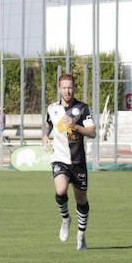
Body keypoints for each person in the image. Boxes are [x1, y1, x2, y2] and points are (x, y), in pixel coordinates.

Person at [42, 73, 96, 250]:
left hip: (78, 161)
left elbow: (92, 133)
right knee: (61, 189)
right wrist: (45, 136)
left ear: (74, 88)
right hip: (60, 159)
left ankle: (81, 234)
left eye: (70, 87)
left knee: (81, 199)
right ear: (59, 89)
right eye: (64, 87)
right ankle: (66, 219)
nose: (67, 90)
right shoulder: (52, 108)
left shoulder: (83, 108)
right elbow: (49, 124)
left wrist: (76, 126)